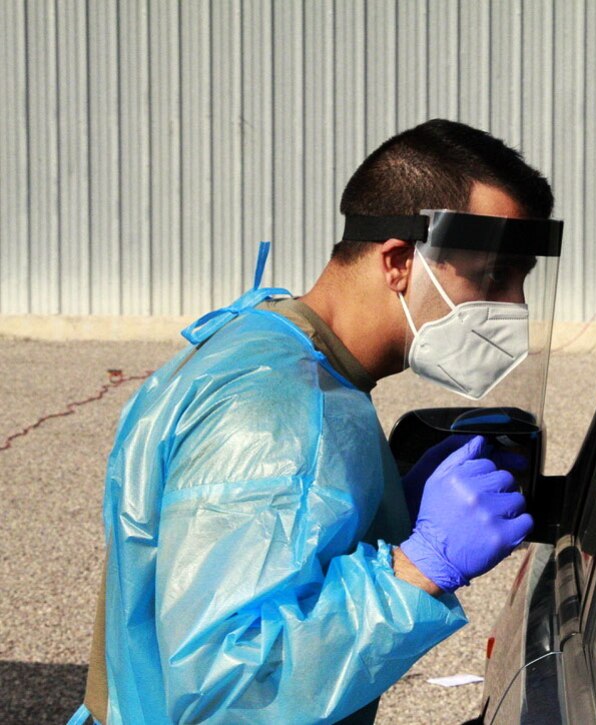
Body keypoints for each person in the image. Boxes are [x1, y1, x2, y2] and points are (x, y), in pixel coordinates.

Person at [69, 119, 564, 725]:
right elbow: (231, 691)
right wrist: (417, 568)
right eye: (491, 275)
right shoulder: (277, 407)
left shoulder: (268, 342)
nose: (512, 306)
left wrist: (378, 520)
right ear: (401, 261)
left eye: (522, 280)